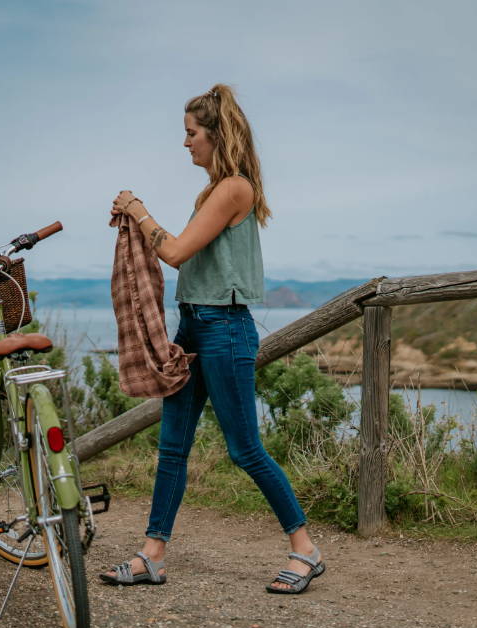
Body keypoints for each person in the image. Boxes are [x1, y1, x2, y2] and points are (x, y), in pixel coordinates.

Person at [101, 84, 325, 594]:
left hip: (224, 330)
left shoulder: (234, 189)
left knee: (245, 449)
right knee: (173, 447)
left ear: (215, 134)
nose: (185, 143)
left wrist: (137, 208)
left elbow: (175, 252)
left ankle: (306, 550)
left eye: (191, 133)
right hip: (196, 326)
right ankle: (152, 555)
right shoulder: (214, 190)